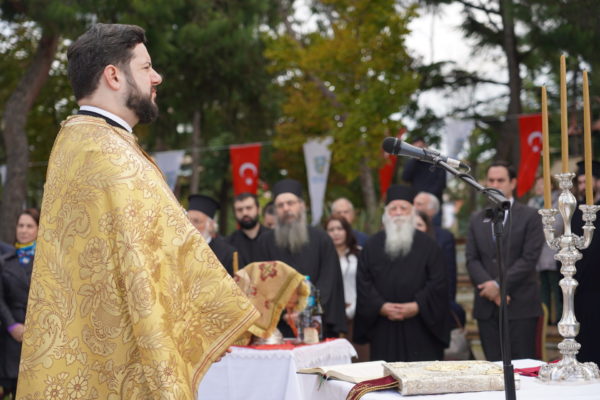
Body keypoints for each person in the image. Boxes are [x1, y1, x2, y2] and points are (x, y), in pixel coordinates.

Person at [16, 24, 258, 400]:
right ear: (114, 75)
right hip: (124, 363)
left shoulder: (81, 140)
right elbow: (154, 254)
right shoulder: (109, 154)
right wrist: (204, 319)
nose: (156, 77)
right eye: (146, 67)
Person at [354, 184, 449, 362]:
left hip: (420, 326)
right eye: (393, 208)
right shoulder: (372, 245)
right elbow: (363, 282)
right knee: (385, 375)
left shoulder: (429, 246)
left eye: (403, 208)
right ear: (386, 214)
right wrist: (380, 306)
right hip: (383, 326)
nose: (398, 213)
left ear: (412, 212)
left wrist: (418, 305)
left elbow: (438, 282)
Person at [466, 161, 544, 361]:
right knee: (492, 368)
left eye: (500, 180)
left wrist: (499, 285)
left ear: (513, 183)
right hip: (486, 307)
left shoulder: (530, 216)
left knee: (522, 368)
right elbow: (472, 259)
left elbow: (529, 259)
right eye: (491, 180)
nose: (495, 185)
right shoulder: (476, 218)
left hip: (520, 307)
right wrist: (491, 289)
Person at [257, 178, 347, 338]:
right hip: (277, 327)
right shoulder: (265, 242)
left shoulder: (322, 239)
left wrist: (306, 311)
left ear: (301, 205)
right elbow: (263, 284)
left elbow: (328, 281)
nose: (286, 208)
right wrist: (285, 312)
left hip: (315, 324)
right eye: (280, 205)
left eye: (290, 203)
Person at [0, 209, 39, 398]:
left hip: (38, 335)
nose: (23, 230)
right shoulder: (5, 261)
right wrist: (12, 325)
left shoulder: (46, 262)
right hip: (10, 335)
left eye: (29, 226)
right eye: (21, 225)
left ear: (39, 229)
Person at [573, 160, 600, 365]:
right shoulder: (576, 213)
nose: (583, 187)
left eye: (587, 182)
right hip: (581, 291)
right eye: (580, 183)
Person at [527, 176, 562, 325]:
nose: (538, 186)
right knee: (542, 290)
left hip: (554, 252)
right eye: (537, 184)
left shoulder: (558, 202)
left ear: (551, 186)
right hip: (537, 254)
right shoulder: (531, 203)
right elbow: (527, 225)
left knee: (557, 289)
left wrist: (536, 230)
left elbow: (557, 226)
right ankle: (544, 320)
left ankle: (560, 319)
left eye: (542, 184)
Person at [188, 194, 241, 275]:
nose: (190, 226)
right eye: (187, 220)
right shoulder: (177, 246)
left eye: (196, 221)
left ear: (210, 225)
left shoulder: (228, 254)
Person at [402, 137, 447, 225]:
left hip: (433, 203)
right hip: (417, 204)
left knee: (434, 228)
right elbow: (405, 177)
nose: (418, 150)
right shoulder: (412, 163)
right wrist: (414, 158)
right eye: (415, 148)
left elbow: (442, 183)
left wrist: (426, 198)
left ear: (426, 147)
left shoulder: (437, 161)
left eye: (420, 147)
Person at [228, 193, 270, 264]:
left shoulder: (274, 239)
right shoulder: (228, 244)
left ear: (258, 210)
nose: (245, 213)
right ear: (234, 213)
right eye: (239, 210)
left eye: (249, 208)